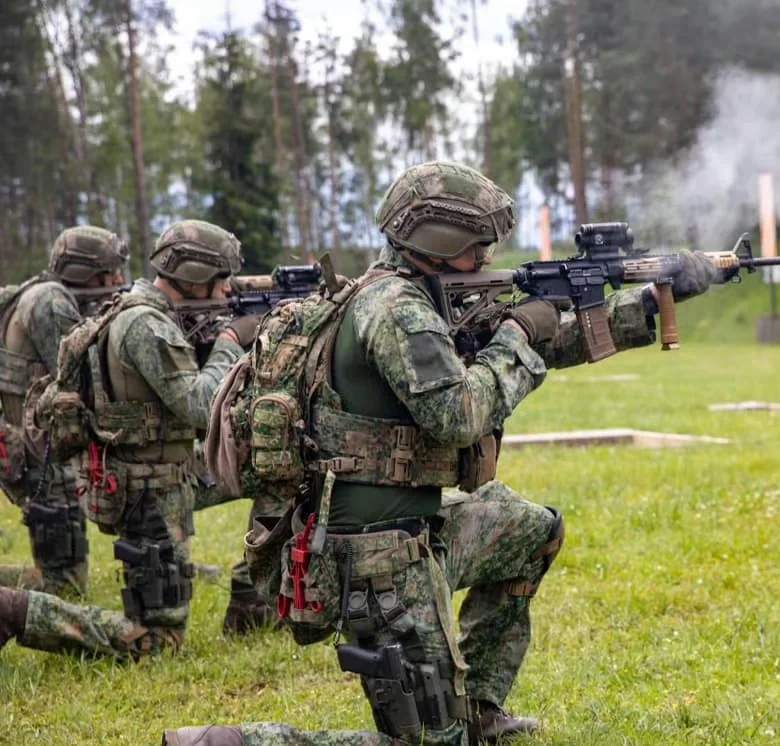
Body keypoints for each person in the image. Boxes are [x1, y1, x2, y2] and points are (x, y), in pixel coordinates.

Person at [161, 161, 725, 746]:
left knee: (532, 533)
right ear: (439, 238)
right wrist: (517, 335)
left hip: (412, 535)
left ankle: (479, 710)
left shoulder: (416, 299)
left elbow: (540, 340)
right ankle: (229, 742)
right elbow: (460, 415)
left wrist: (650, 304)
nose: (487, 254)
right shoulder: (396, 312)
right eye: (478, 241)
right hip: (374, 563)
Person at [0, 219, 260, 660]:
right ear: (196, 277)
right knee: (158, 643)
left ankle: (256, 601)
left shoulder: (141, 312)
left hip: (162, 478)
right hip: (150, 492)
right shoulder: (145, 325)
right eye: (220, 281)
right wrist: (231, 342)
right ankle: (18, 611)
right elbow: (201, 403)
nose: (225, 292)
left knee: (270, 471)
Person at [0, 226, 128, 597]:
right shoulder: (50, 302)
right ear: (87, 273)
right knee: (66, 589)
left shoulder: (39, 291)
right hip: (41, 460)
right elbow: (83, 376)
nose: (119, 279)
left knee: (68, 579)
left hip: (35, 449)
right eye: (111, 272)